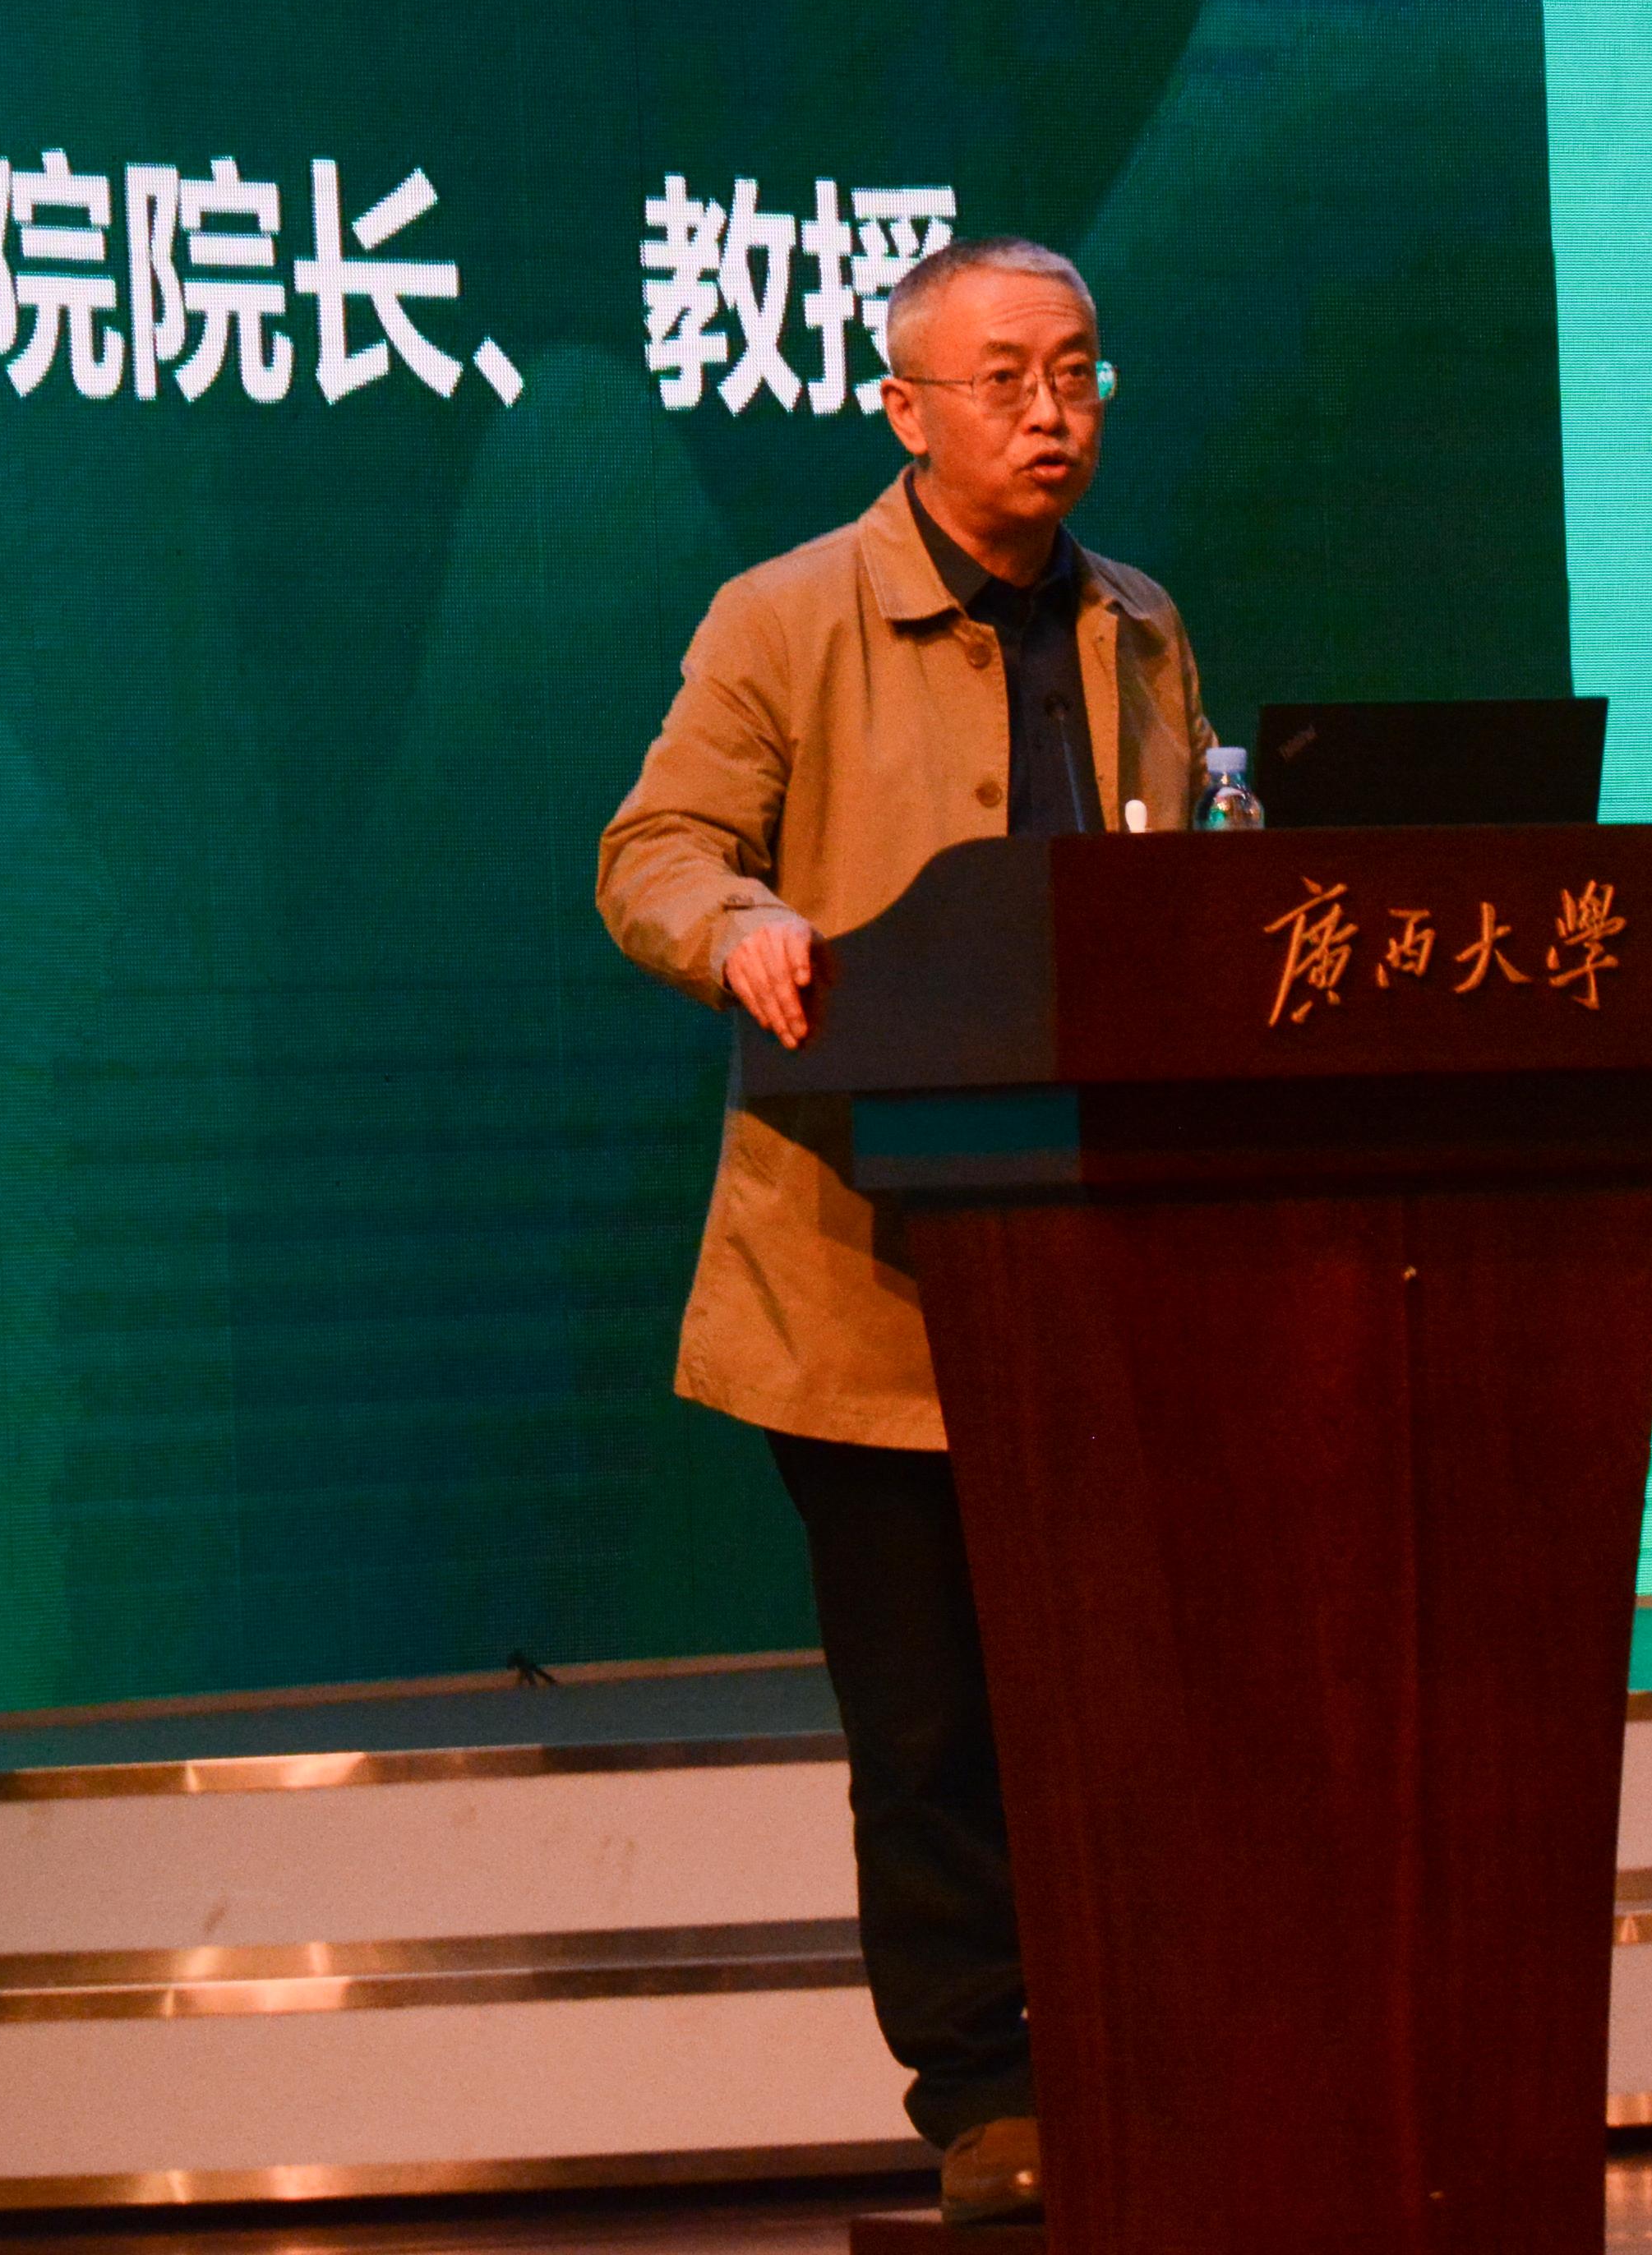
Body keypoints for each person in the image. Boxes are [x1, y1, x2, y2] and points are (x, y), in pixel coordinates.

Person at [593, 236, 1212, 2230]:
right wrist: (744, 924)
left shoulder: (1139, 623)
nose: (1053, 411)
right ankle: (984, 2083)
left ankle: (1136, 2047)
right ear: (907, 410)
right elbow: (653, 849)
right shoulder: (788, 614)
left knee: (1113, 1697)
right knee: (933, 1713)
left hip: (1100, 1261)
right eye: (1006, 377)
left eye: (1079, 370)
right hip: (867, 1270)